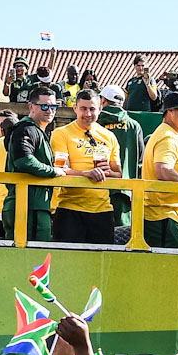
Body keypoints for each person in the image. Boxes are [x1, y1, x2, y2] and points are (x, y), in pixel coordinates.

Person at [48, 88, 120, 244]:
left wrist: (108, 172)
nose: (88, 114)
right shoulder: (61, 133)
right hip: (70, 209)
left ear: (100, 109)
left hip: (103, 210)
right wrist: (86, 173)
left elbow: (118, 174)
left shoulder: (109, 136)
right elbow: (62, 169)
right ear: (75, 108)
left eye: (92, 109)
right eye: (83, 109)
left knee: (101, 264)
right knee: (67, 263)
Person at [0, 82, 65, 242]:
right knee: (30, 259)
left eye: (54, 107)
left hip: (35, 204)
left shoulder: (36, 130)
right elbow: (24, 160)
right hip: (28, 206)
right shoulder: (26, 129)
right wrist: (53, 171)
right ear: (31, 106)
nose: (50, 111)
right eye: (44, 106)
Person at [141, 91, 178, 248]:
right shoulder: (167, 136)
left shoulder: (168, 134)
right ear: (170, 111)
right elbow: (162, 169)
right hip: (165, 218)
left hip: (165, 217)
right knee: (169, 269)